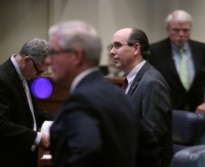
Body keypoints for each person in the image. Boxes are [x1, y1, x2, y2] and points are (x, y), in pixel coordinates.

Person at [46, 20, 139, 167]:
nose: (48, 60)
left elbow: (86, 152)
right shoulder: (118, 94)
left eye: (53, 53)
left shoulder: (81, 100)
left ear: (76, 56)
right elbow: (148, 146)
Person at [109, 28, 173, 167]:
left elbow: (153, 137)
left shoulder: (152, 82)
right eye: (112, 46)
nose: (112, 51)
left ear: (136, 48)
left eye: (118, 45)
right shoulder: (134, 79)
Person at [149, 9, 205, 112]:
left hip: (199, 111)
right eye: (176, 30)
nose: (181, 34)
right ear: (167, 30)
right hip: (167, 112)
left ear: (191, 30)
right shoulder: (153, 52)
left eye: (185, 30)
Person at [0, 38, 52, 167]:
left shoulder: (24, 73)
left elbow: (30, 113)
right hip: (9, 158)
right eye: (39, 71)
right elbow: (2, 124)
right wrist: (38, 138)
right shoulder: (2, 79)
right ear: (27, 60)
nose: (39, 76)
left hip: (26, 155)